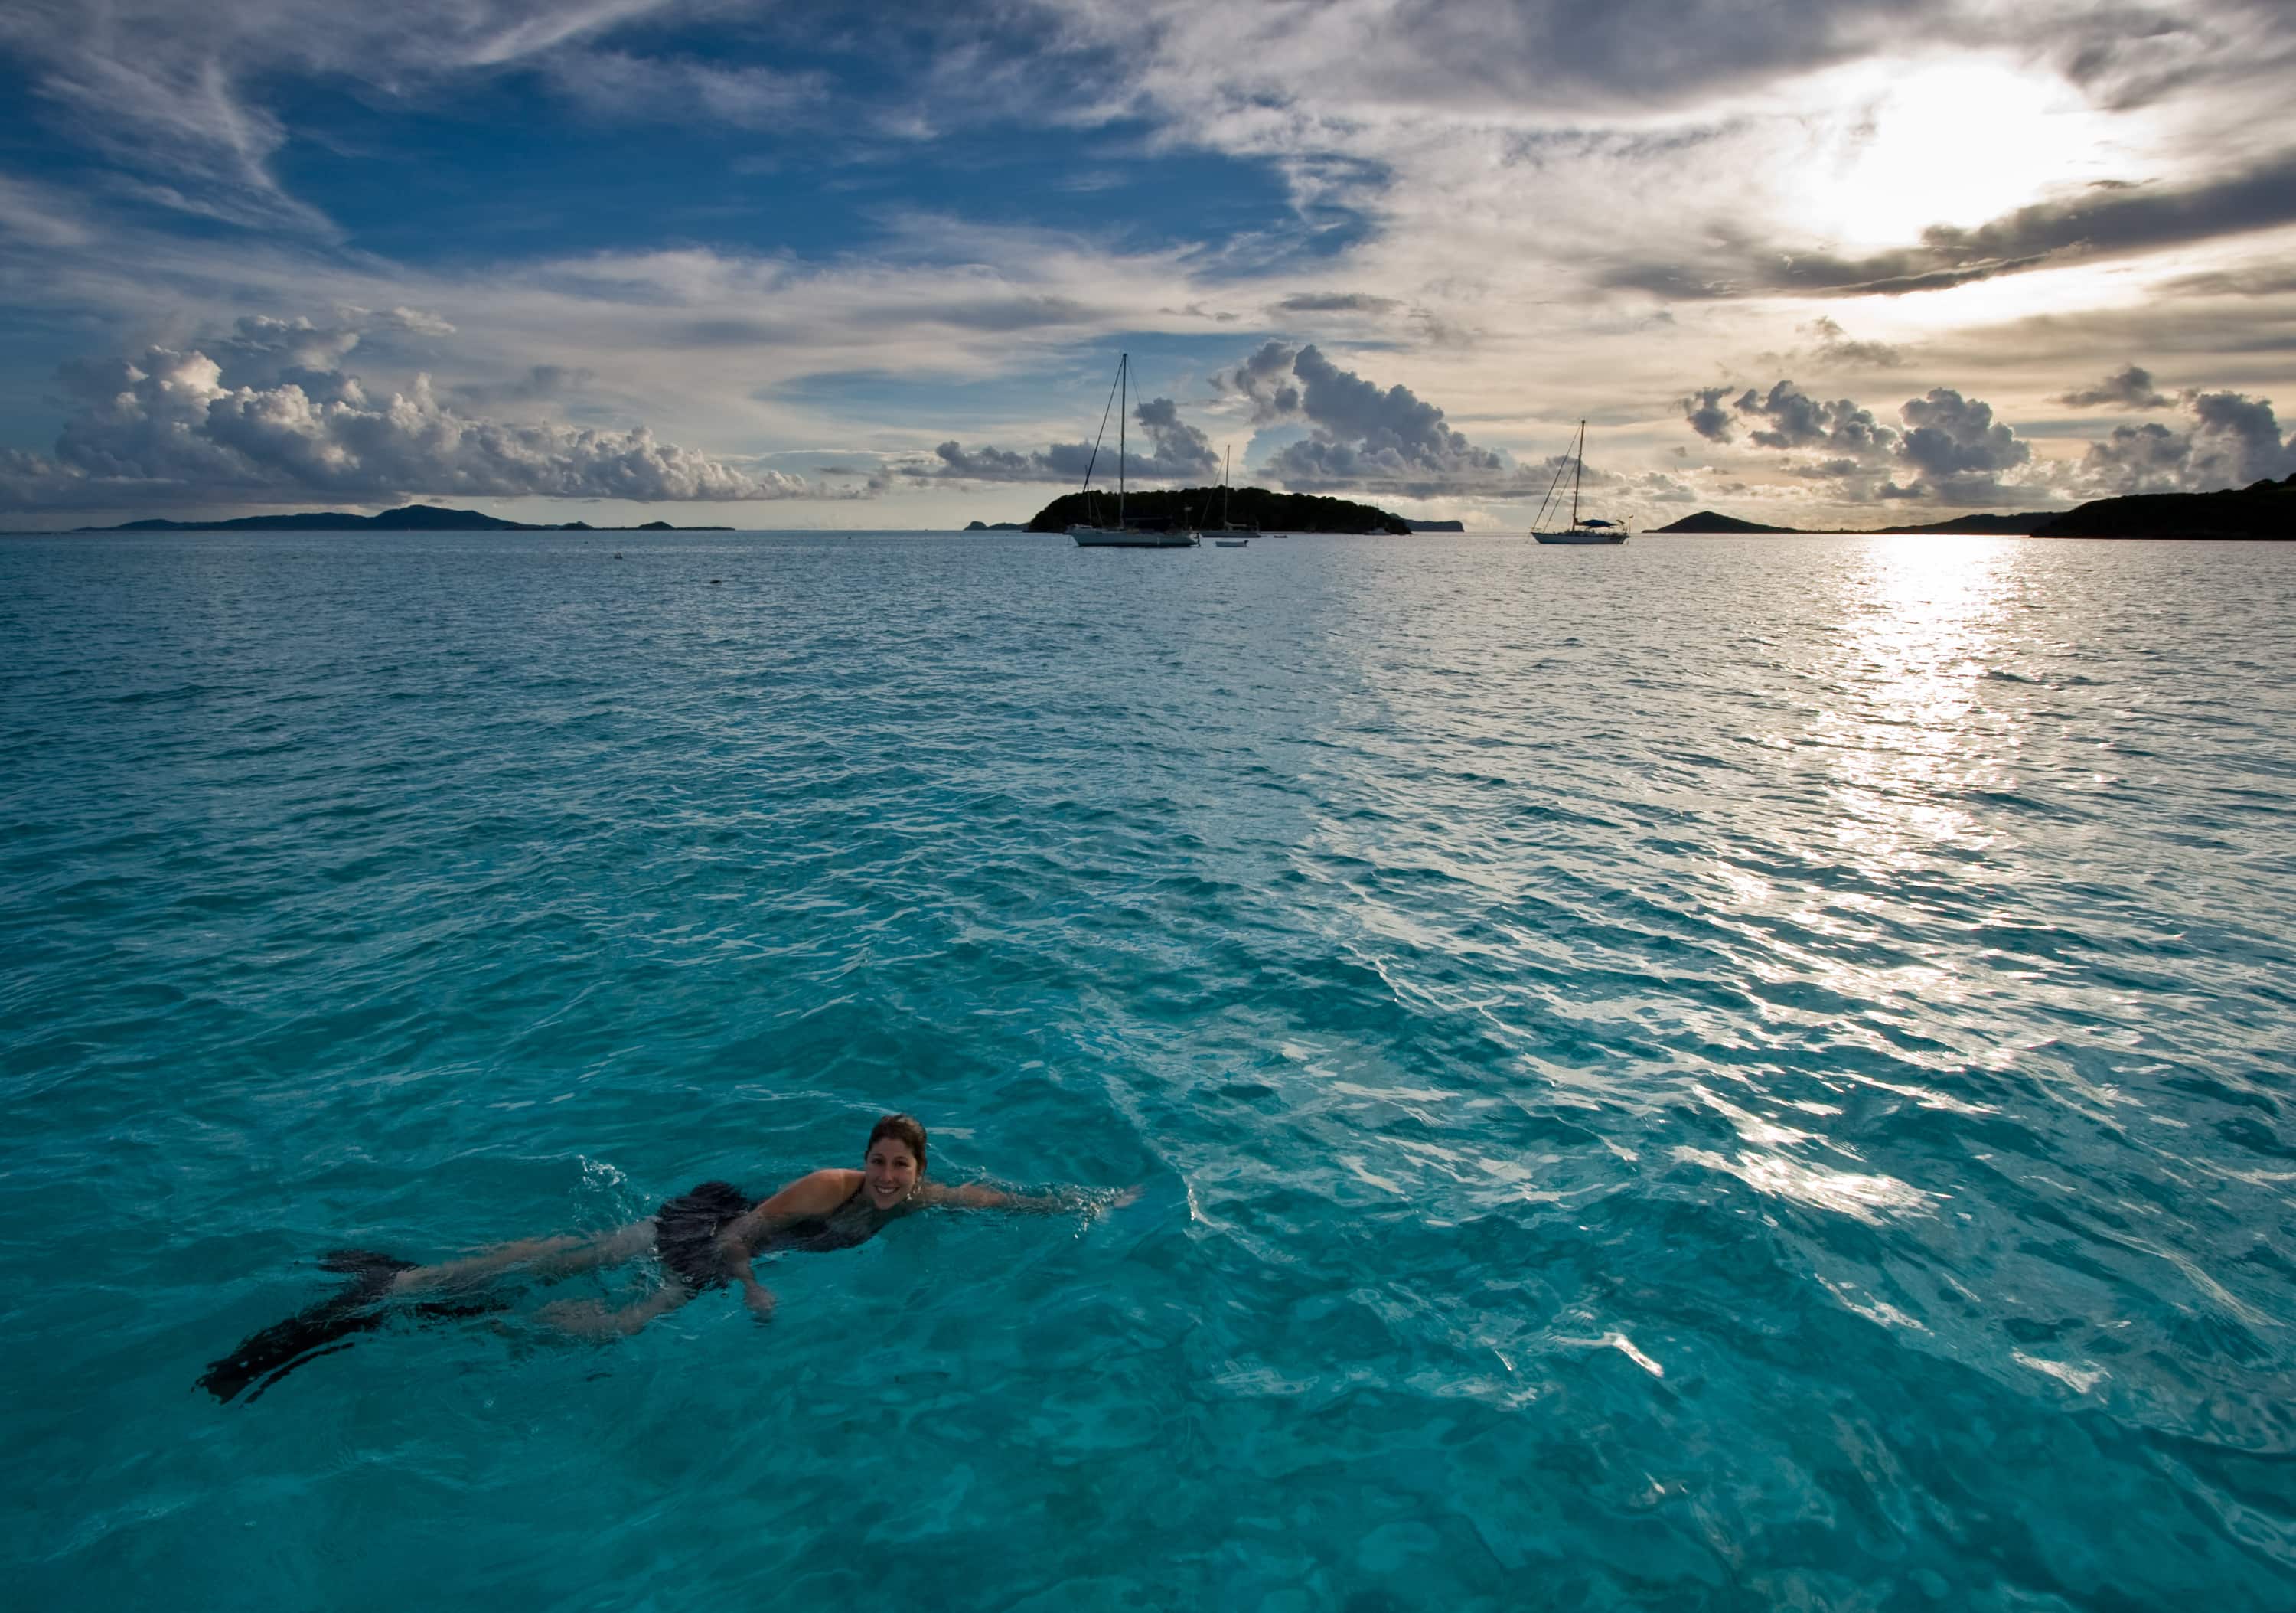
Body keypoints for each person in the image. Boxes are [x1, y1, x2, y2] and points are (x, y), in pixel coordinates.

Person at [199, 1113, 1133, 1402]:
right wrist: (752, 1284)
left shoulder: (926, 1194)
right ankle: (417, 1285)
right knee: (609, 1296)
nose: (888, 1177)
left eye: (902, 1166)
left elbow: (1003, 1200)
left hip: (741, 1247)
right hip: (728, 1234)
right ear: (862, 1160)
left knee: (586, 1261)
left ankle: (428, 1289)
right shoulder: (826, 1185)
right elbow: (735, 1237)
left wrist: (1090, 1203)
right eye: (878, 1162)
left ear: (919, 1168)